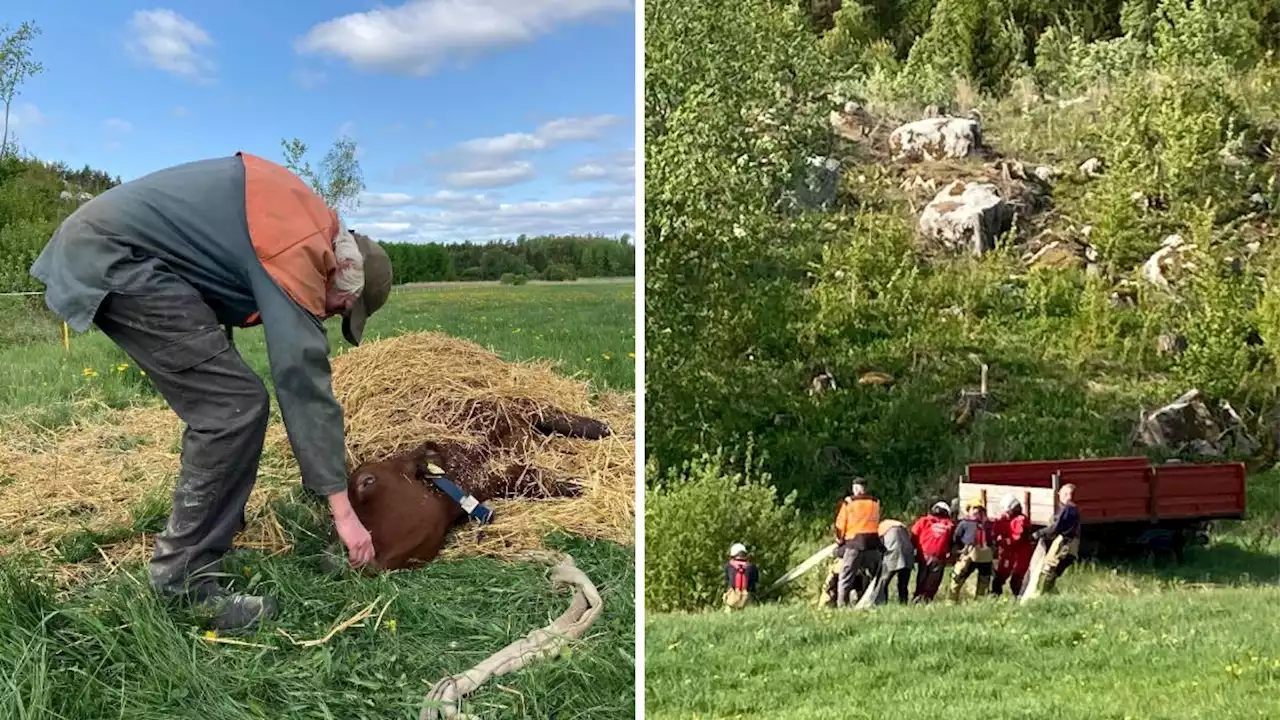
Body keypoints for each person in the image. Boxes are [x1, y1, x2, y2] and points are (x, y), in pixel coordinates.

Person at [29, 153, 393, 632]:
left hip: (112, 250)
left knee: (231, 400)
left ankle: (214, 531)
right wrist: (343, 512)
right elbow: (302, 377)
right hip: (116, 257)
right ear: (342, 274)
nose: (331, 316)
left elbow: (212, 272)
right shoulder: (303, 242)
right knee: (232, 407)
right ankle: (183, 586)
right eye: (342, 308)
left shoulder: (298, 217)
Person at [833, 480, 883, 607]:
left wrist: (839, 541)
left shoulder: (849, 503)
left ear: (855, 488)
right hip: (872, 544)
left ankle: (842, 605)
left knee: (846, 577)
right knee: (875, 577)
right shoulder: (875, 502)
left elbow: (840, 525)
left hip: (854, 544)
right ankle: (876, 602)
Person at [1034, 483, 1082, 594]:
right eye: (1065, 493)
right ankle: (1051, 595)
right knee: (1052, 573)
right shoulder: (1071, 509)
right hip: (1070, 546)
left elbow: (1056, 528)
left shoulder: (1068, 510)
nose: (1067, 497)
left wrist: (1038, 534)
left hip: (1065, 545)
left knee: (1049, 572)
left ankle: (1044, 595)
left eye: (1068, 494)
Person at [947, 500, 995, 602]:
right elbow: (956, 537)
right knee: (958, 576)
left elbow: (991, 539)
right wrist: (957, 550)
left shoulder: (987, 524)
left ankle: (980, 601)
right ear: (969, 510)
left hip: (984, 554)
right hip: (968, 553)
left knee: (984, 579)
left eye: (979, 509)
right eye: (974, 508)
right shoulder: (964, 523)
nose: (977, 511)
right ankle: (951, 600)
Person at [909, 501, 954, 603]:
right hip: (938, 557)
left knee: (922, 578)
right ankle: (925, 600)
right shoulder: (949, 524)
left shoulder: (923, 521)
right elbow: (951, 541)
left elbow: (914, 536)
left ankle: (917, 599)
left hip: (924, 555)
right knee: (933, 581)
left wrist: (913, 550)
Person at [992, 494, 1035, 597]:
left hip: (1020, 554)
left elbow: (1015, 538)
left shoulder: (1021, 520)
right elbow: (995, 531)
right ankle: (995, 597)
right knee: (998, 578)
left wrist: (1001, 541)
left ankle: (1020, 599)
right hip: (1008, 554)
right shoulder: (1004, 519)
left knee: (1016, 581)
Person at [873, 517, 913, 605]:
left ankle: (881, 604)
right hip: (908, 553)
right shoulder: (902, 526)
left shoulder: (881, 527)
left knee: (883, 582)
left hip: (893, 552)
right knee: (903, 583)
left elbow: (878, 544)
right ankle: (903, 603)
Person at [723, 542, 759, 611]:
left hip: (732, 598)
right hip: (747, 598)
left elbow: (726, 580)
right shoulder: (752, 566)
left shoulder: (728, 565)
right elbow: (756, 580)